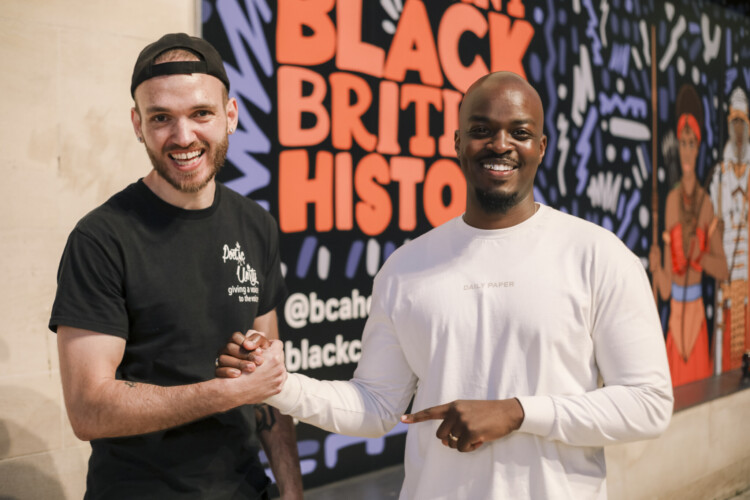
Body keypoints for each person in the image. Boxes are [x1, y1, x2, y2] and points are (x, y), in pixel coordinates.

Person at [219, 71, 674, 499]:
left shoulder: (597, 255)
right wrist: (276, 385)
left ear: (540, 146)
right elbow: (376, 406)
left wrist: (517, 412)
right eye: (482, 130)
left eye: (519, 132)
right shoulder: (406, 268)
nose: (500, 144)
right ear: (458, 142)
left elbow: (649, 404)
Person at [49, 33, 302, 500]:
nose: (183, 137)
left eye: (201, 113)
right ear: (137, 124)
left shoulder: (256, 225)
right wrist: (226, 394)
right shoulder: (101, 239)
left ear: (230, 116)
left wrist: (291, 490)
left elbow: (266, 379)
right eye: (161, 117)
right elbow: (88, 410)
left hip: (246, 488)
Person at [650, 84, 728, 386]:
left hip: (696, 323)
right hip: (675, 323)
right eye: (682, 143)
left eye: (691, 143)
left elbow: (723, 270)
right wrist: (657, 267)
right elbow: (665, 291)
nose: (686, 150)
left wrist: (702, 257)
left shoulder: (706, 204)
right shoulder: (670, 202)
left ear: (698, 147)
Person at [709, 86, 750, 373]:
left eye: (742, 124)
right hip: (728, 269)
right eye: (734, 123)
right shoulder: (720, 175)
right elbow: (714, 226)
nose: (738, 130)